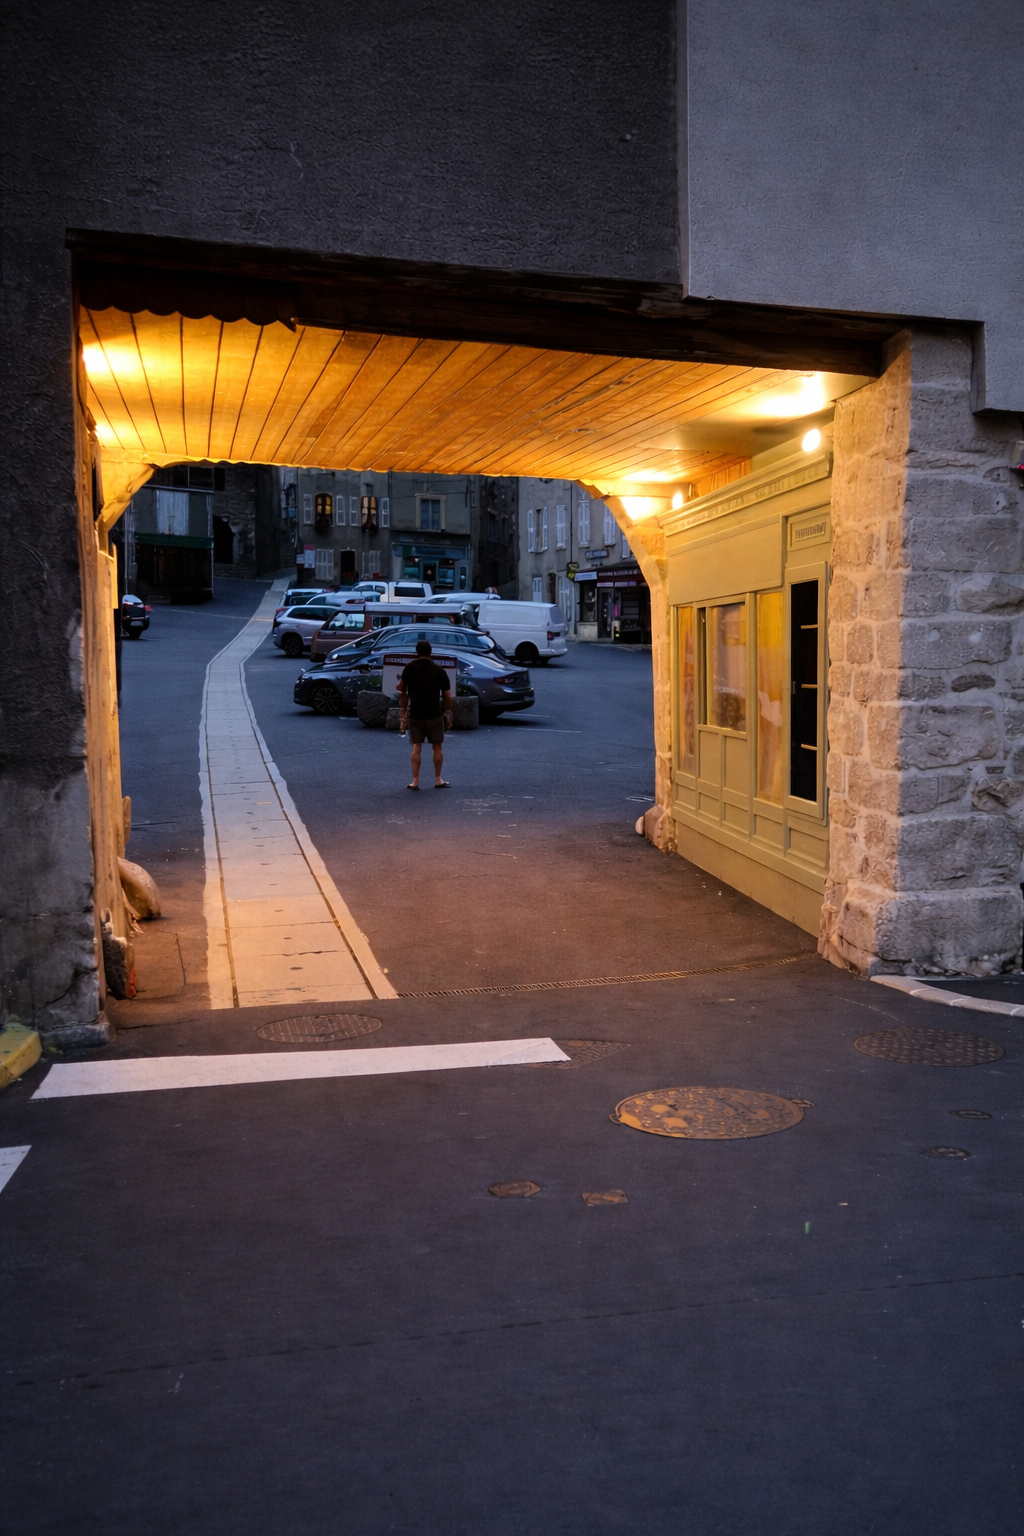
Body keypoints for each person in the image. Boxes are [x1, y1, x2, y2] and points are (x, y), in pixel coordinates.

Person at [398, 639, 453, 789]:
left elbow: (403, 692)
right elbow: (447, 694)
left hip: (416, 712)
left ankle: (415, 781)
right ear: (430, 652)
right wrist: (447, 711)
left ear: (417, 652)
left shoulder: (409, 669)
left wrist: (403, 712)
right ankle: (437, 779)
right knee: (437, 746)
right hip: (434, 713)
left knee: (416, 747)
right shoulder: (439, 670)